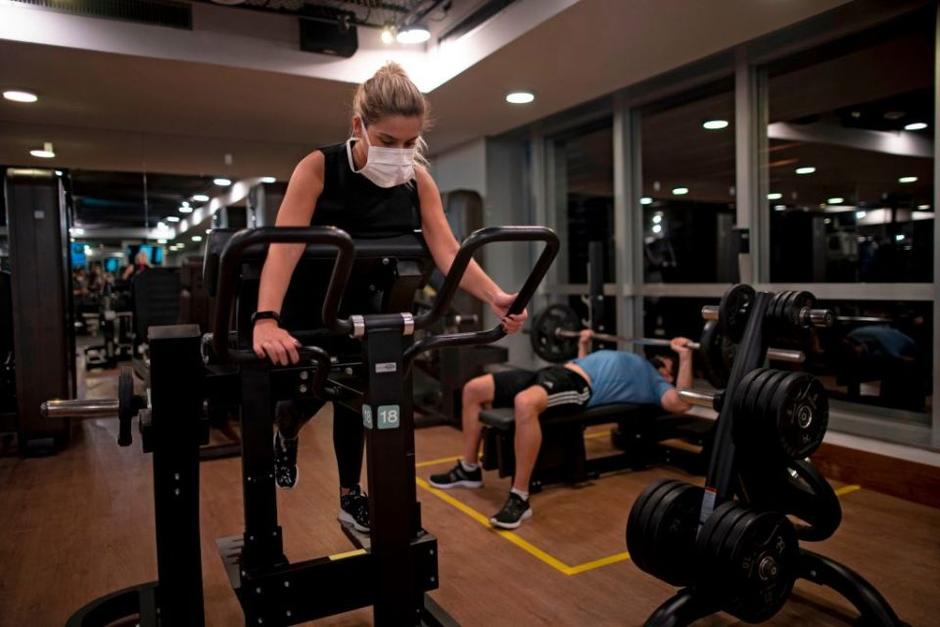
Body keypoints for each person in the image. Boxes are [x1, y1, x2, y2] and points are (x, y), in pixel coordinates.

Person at [251, 62, 526, 533]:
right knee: (304, 395)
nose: (399, 154)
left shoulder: (416, 178)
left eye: (408, 143)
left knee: (356, 399)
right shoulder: (319, 167)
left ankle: (349, 496)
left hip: (370, 309)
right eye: (386, 141)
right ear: (358, 126)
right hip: (309, 306)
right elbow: (286, 245)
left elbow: (447, 249)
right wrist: (266, 318)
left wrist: (496, 295)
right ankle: (287, 429)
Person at [430, 329, 694, 529]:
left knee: (525, 403)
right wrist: (582, 344)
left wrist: (685, 356)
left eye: (668, 367)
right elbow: (588, 365)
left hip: (577, 388)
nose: (663, 365)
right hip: (556, 372)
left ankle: (519, 498)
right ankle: (468, 469)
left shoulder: (654, 382)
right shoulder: (634, 359)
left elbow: (681, 403)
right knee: (473, 389)